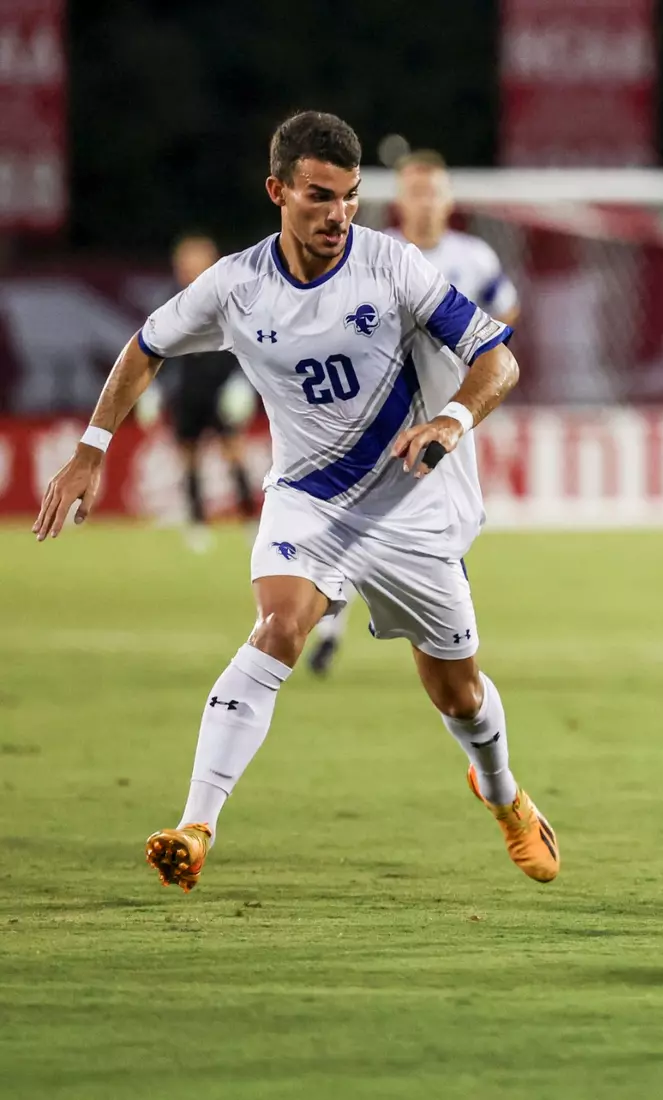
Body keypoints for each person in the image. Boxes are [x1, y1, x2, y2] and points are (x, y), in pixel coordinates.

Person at [32, 111, 559, 892]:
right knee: (279, 627)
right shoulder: (237, 286)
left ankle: (504, 792)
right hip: (309, 502)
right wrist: (91, 449)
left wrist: (449, 419)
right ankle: (196, 826)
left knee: (459, 691)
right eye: (319, 197)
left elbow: (497, 356)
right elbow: (145, 347)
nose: (337, 215)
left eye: (348, 197)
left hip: (410, 506)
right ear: (278, 190)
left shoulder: (393, 266)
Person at [307, 149, 521, 675]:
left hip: (447, 414)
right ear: (399, 201)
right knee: (359, 516)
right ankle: (334, 624)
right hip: (380, 412)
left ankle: (443, 640)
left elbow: (506, 311)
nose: (424, 202)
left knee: (439, 524)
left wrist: (472, 364)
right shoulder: (375, 254)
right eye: (414, 191)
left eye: (433, 191)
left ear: (448, 200)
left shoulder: (474, 257)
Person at [155, 233, 261, 550]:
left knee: (234, 455)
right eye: (186, 263)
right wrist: (156, 389)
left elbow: (250, 344)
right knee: (189, 459)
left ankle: (250, 521)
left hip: (221, 387)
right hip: (188, 392)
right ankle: (197, 524)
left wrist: (242, 382)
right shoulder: (170, 302)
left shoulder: (229, 301)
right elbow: (159, 349)